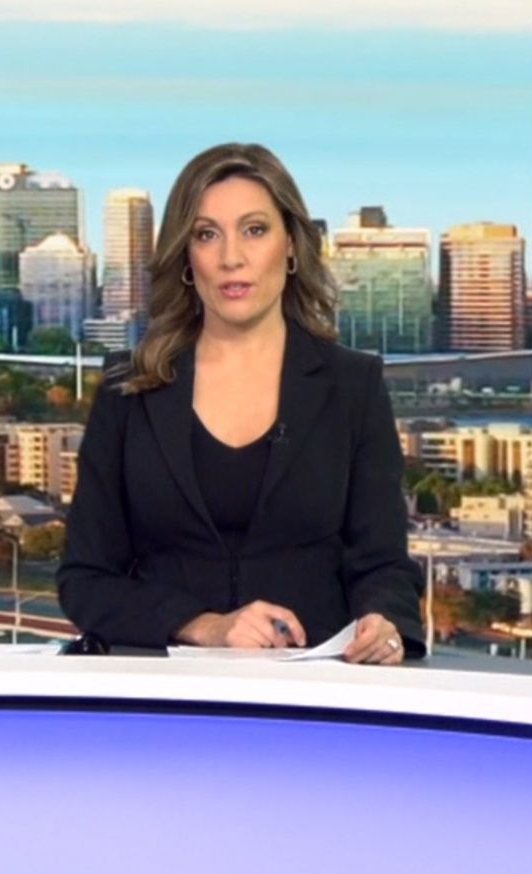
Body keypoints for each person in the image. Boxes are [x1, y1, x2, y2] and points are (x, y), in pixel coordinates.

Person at [57, 142, 425, 663]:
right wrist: (204, 626)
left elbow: (383, 564)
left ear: (291, 245)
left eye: (255, 230)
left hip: (315, 690)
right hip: (163, 691)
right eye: (207, 234)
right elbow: (85, 579)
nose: (232, 257)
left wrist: (385, 622)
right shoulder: (130, 387)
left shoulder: (352, 385)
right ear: (187, 257)